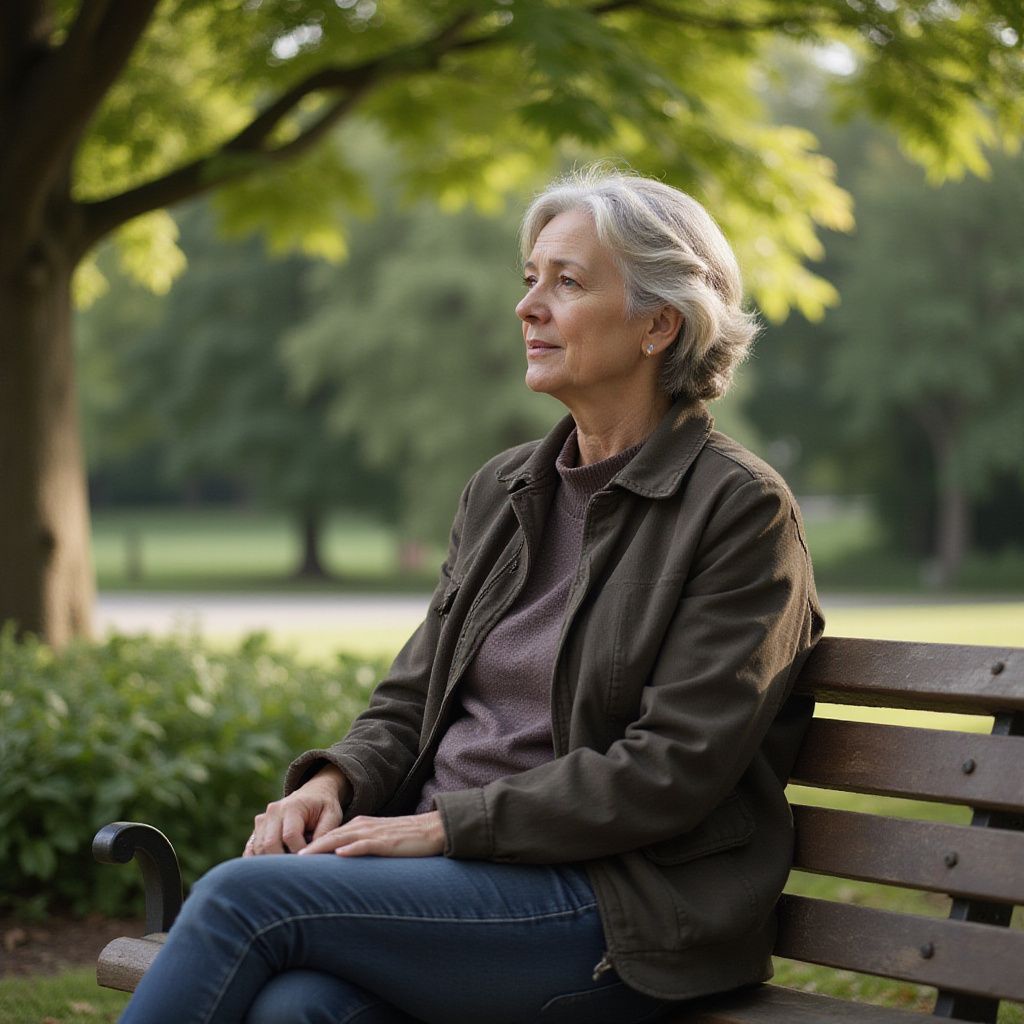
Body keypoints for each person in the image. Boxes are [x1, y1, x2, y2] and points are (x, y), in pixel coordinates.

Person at [119, 168, 824, 1024]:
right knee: (300, 1010)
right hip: (458, 882)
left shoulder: (738, 509)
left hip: (620, 906)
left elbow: (673, 769)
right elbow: (412, 697)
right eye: (530, 279)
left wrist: (448, 825)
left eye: (567, 281)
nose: (530, 305)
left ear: (660, 324)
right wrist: (335, 783)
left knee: (241, 898)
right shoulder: (505, 489)